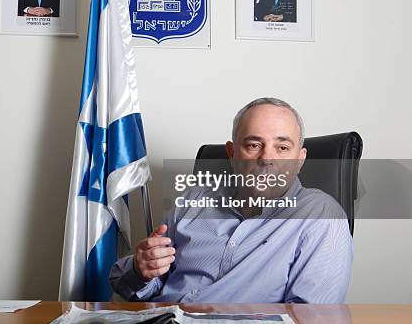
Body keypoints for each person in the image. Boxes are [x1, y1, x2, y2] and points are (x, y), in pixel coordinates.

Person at [109, 97, 353, 303]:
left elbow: (312, 316)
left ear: (300, 160)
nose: (266, 158)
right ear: (231, 153)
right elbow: (129, 282)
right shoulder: (196, 200)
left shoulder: (321, 215)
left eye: (282, 148)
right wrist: (142, 271)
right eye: (254, 144)